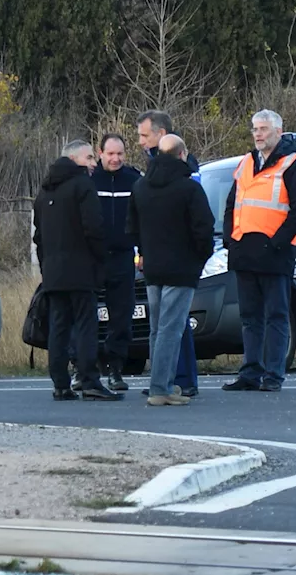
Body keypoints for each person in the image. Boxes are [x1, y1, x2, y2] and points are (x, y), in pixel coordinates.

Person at [221, 109, 296, 393]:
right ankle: (250, 372)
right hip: (245, 251)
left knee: (276, 316)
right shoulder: (247, 162)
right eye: (255, 129)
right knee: (249, 317)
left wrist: (277, 243)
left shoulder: (293, 164)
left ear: (278, 132)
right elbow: (232, 205)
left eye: (263, 129)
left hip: (274, 253)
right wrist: (229, 240)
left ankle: (273, 374)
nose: (257, 134)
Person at [126, 134, 215, 406]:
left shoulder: (140, 187)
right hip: (181, 268)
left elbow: (132, 229)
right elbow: (204, 230)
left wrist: (145, 252)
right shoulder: (189, 189)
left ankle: (160, 382)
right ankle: (160, 388)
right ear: (181, 154)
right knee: (171, 329)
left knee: (157, 329)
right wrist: (199, 259)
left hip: (152, 267)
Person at [32, 140, 121, 402]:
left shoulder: (45, 191)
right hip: (81, 269)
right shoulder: (83, 186)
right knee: (85, 325)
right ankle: (90, 380)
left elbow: (39, 237)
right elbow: (93, 228)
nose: (94, 163)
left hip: (54, 272)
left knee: (59, 327)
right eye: (89, 157)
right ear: (74, 159)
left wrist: (46, 265)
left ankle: (60, 383)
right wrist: (99, 260)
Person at [136, 110, 201, 397]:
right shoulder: (163, 177)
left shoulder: (167, 177)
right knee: (169, 327)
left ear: (161, 135)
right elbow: (202, 225)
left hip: (157, 264)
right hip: (174, 265)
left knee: (168, 326)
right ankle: (164, 383)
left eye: (144, 135)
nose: (139, 142)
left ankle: (174, 379)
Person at [89, 133, 142, 392]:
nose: (115, 159)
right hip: (93, 257)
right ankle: (84, 368)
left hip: (123, 257)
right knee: (86, 314)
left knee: (122, 315)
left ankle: (115, 369)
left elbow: (144, 218)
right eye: (110, 154)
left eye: (120, 154)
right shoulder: (89, 180)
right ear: (100, 153)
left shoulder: (134, 179)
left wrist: (142, 250)